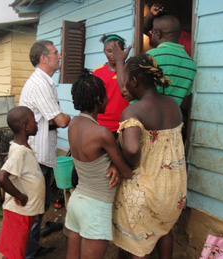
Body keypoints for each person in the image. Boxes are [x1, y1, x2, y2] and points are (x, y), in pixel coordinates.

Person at [111, 53, 187, 259]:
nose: (124, 87)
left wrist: (120, 158)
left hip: (147, 189)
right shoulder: (173, 104)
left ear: (134, 81)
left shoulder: (133, 111)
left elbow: (133, 149)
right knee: (164, 231)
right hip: (174, 189)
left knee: (139, 243)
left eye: (125, 81)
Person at [66, 70, 133, 259]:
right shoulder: (102, 133)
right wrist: (117, 164)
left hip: (77, 200)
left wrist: (111, 161)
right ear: (98, 99)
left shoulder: (73, 124)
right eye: (105, 96)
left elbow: (93, 157)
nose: (108, 100)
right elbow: (126, 172)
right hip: (95, 207)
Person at [19, 40, 71, 258]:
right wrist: (67, 117)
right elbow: (60, 120)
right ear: (44, 58)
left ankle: (32, 247)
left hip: (42, 152)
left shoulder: (45, 82)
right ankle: (27, 253)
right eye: (55, 53)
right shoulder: (40, 84)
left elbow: (47, 120)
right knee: (34, 208)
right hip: (37, 155)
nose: (59, 56)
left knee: (39, 206)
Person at [0, 106, 44, 259]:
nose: (36, 123)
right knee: (15, 253)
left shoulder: (20, 148)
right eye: (34, 121)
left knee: (17, 250)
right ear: (25, 127)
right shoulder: (19, 151)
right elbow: (1, 177)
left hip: (25, 212)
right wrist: (20, 196)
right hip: (18, 212)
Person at [93, 34, 130, 138]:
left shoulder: (130, 71)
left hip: (126, 123)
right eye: (109, 51)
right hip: (103, 125)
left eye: (117, 51)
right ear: (104, 51)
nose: (114, 55)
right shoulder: (98, 72)